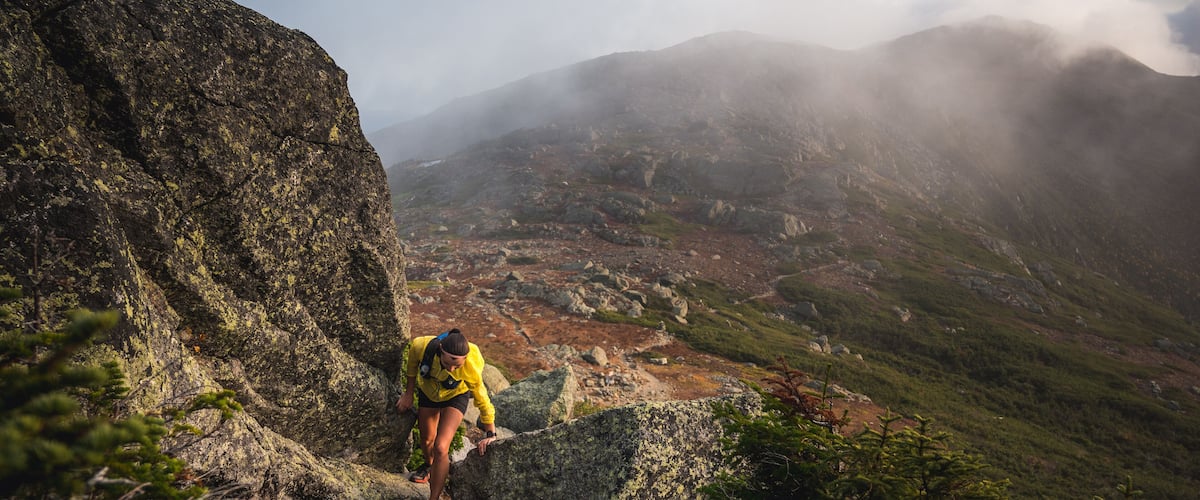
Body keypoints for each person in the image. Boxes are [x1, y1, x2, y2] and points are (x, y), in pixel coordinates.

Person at [396, 328, 497, 499]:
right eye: (448, 361)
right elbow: (412, 366)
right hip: (428, 394)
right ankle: (429, 466)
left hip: (456, 397)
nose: (451, 368)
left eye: (457, 364)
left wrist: (491, 433)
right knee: (427, 440)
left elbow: (482, 398)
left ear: (465, 359)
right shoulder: (421, 346)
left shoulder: (470, 367)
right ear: (441, 350)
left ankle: (434, 497)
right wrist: (408, 394)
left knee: (441, 446)